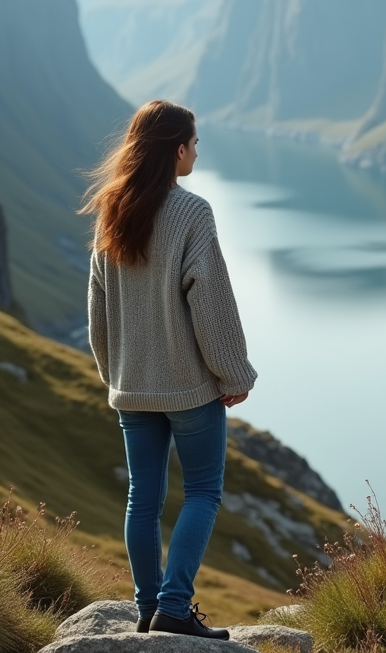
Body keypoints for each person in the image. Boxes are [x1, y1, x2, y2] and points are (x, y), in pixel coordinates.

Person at [81, 99, 257, 637]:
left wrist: (118, 376)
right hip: (189, 389)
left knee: (144, 497)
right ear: (177, 150)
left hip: (133, 386)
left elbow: (97, 308)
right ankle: (175, 609)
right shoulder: (192, 212)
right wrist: (234, 376)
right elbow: (212, 303)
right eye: (195, 144)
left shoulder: (111, 208)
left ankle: (146, 610)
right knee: (202, 492)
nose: (198, 153)